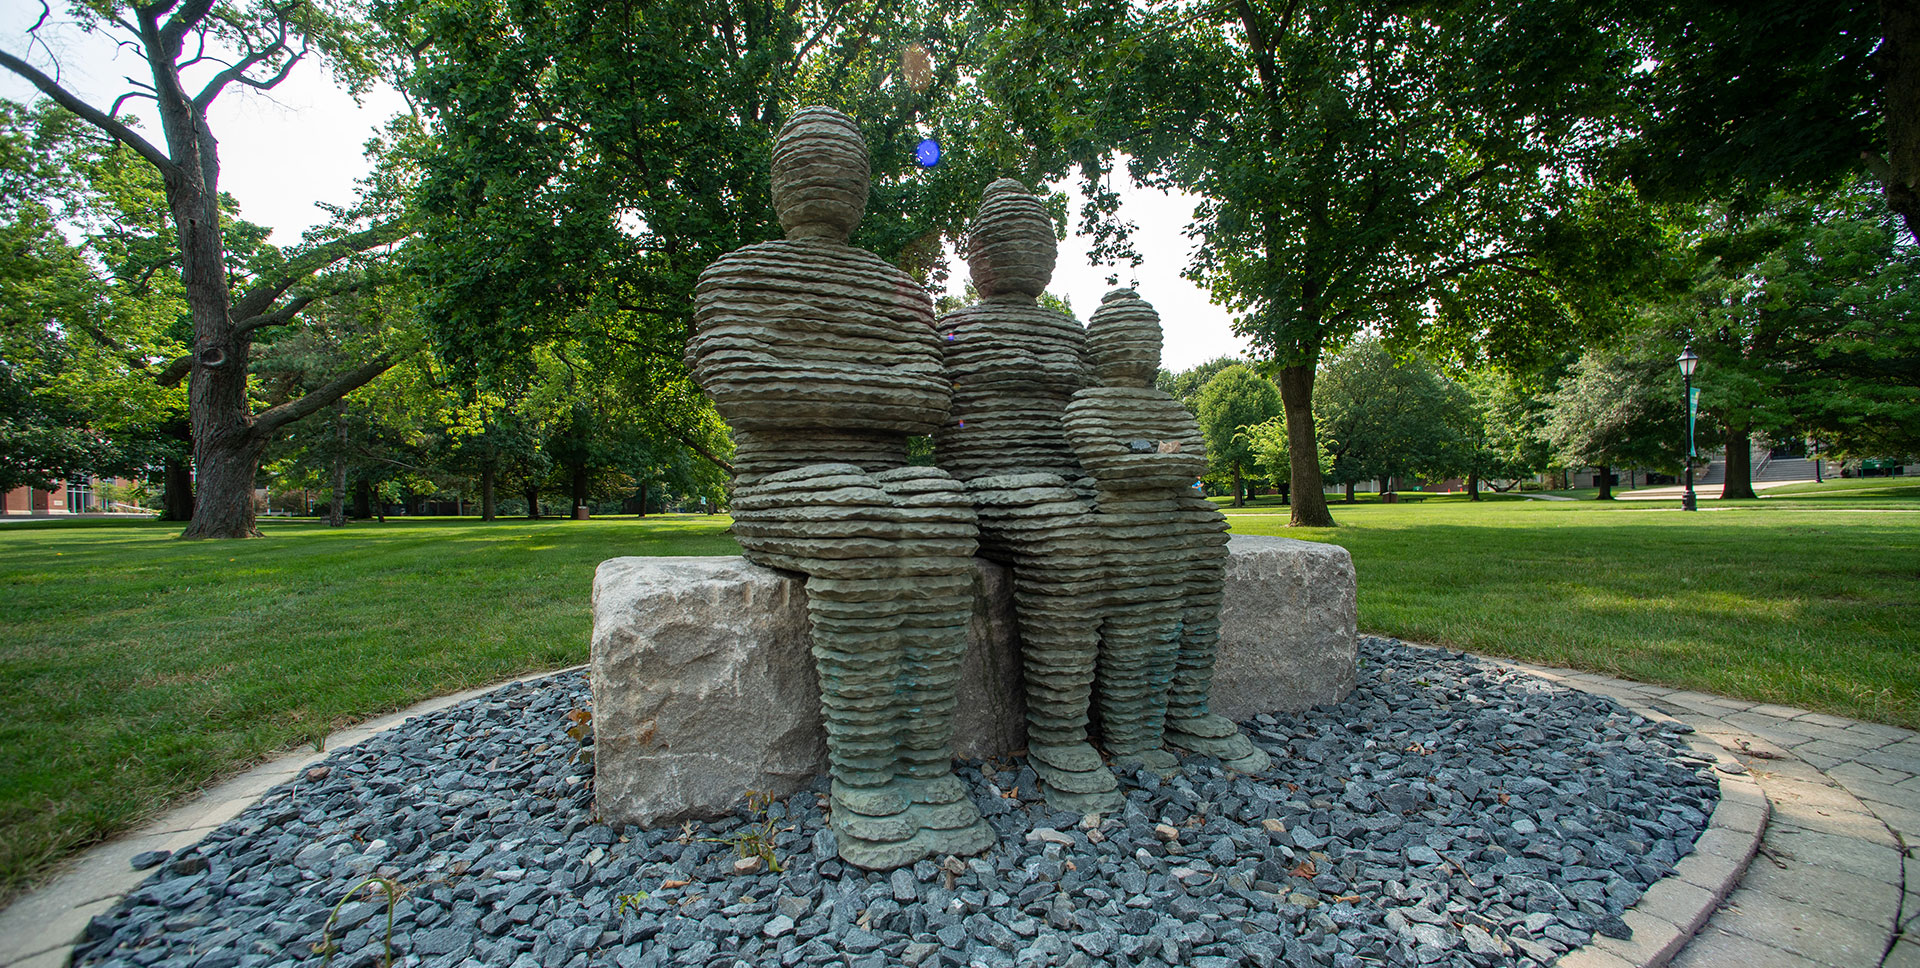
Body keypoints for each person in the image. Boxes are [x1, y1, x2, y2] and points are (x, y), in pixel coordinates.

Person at [686, 106, 993, 869]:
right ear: (780, 179)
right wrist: (870, 384)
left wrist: (803, 378)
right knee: (854, 514)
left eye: (844, 162)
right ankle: (863, 780)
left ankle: (924, 767)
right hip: (779, 486)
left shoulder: (897, 288)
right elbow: (743, 390)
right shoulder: (736, 274)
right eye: (808, 159)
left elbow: (930, 399)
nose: (827, 174)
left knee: (945, 509)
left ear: (863, 185)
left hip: (893, 480)